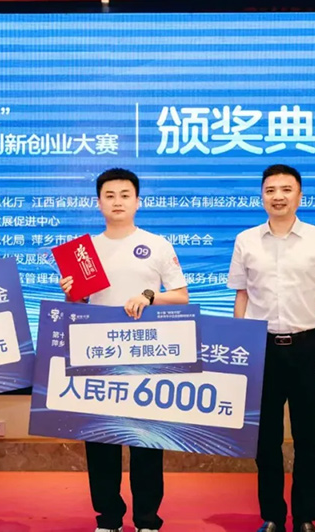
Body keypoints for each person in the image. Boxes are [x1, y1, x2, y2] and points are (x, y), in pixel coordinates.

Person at [60, 168, 189, 532]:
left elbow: (181, 296)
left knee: (147, 441)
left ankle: (147, 520)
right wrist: (70, 292)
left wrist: (149, 296)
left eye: (125, 195)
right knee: (101, 439)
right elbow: (77, 306)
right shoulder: (84, 250)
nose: (117, 202)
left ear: (137, 201)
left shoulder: (157, 245)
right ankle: (108, 519)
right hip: (98, 355)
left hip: (147, 354)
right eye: (110, 195)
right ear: (98, 202)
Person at [226, 164, 315, 532]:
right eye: (270, 190)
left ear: (299, 195)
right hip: (262, 348)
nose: (278, 196)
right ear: (262, 196)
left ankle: (305, 517)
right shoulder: (246, 240)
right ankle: (273, 517)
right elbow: (242, 297)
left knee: (308, 438)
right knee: (266, 441)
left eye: (286, 189)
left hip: (308, 348)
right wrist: (241, 348)